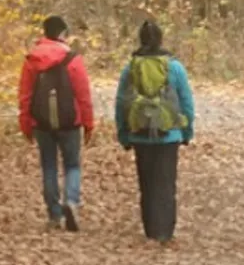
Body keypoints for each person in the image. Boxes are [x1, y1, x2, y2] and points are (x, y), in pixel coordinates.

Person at [112, 19, 197, 247]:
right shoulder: (174, 67)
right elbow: (186, 101)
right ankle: (165, 232)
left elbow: (121, 102)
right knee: (166, 183)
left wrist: (123, 133)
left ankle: (150, 229)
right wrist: (187, 130)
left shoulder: (131, 67)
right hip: (168, 134)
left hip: (139, 134)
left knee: (147, 182)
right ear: (161, 39)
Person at [17, 15, 94, 229]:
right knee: (72, 165)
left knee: (48, 166)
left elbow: (25, 95)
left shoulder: (32, 59)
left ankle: (54, 215)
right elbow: (83, 94)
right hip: (70, 121)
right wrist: (88, 123)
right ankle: (71, 201)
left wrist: (25, 123)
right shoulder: (72, 58)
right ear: (62, 34)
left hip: (41, 122)